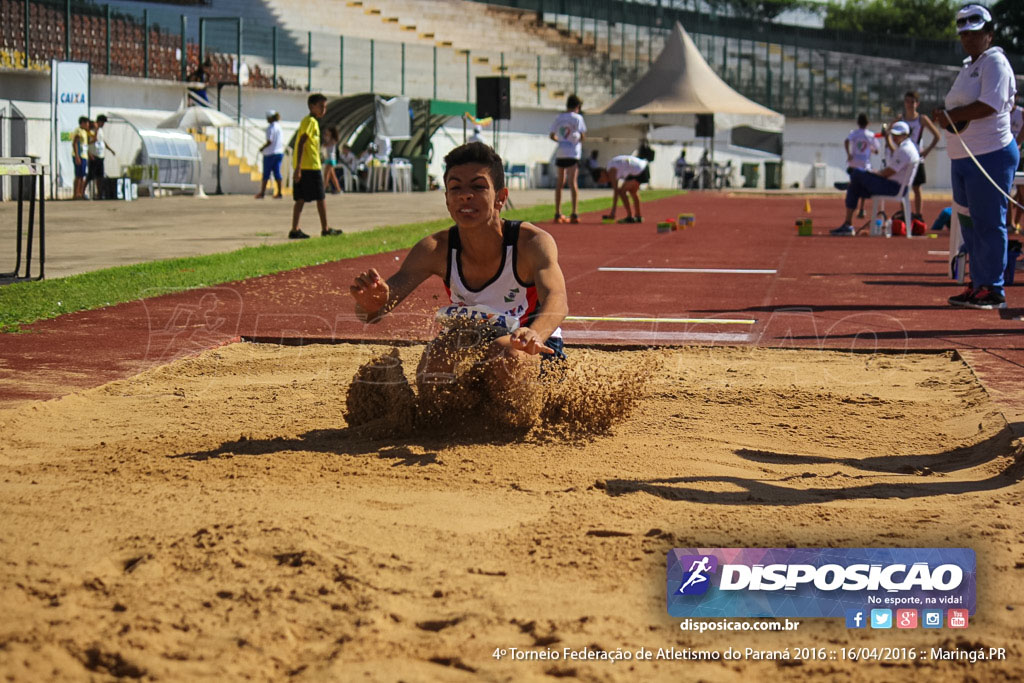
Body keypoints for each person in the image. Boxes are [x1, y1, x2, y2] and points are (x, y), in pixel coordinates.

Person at [349, 142, 568, 402]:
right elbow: (372, 314)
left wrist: (535, 333)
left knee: (505, 354)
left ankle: (514, 419)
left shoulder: (530, 242)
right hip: (472, 339)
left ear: (501, 197)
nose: (465, 195)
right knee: (436, 361)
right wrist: (370, 303)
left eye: (478, 187)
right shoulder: (435, 249)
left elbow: (558, 299)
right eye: (456, 188)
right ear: (447, 199)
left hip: (531, 343)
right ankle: (456, 419)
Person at [932, 4, 1018, 310]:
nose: (968, 38)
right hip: (965, 157)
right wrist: (946, 116)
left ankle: (992, 288)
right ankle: (978, 282)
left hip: (989, 154)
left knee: (988, 222)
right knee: (969, 222)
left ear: (989, 34)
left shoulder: (995, 62)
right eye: (964, 33)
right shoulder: (970, 66)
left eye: (975, 32)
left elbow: (989, 105)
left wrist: (950, 116)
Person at [830, 121, 920, 235]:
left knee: (857, 173)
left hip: (893, 187)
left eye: (898, 135)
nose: (895, 137)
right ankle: (847, 224)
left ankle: (850, 185)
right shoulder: (906, 147)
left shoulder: (905, 150)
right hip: (894, 185)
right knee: (854, 187)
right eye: (894, 134)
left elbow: (887, 172)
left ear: (906, 135)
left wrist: (873, 174)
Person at [291, 93, 342, 239]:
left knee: (300, 198)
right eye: (321, 106)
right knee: (320, 197)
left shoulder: (309, 121)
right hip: (310, 167)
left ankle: (295, 229)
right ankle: (325, 229)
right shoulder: (310, 122)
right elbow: (301, 142)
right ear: (312, 106)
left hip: (307, 166)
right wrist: (298, 168)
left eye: (324, 107)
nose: (323, 109)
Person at [887, 91, 940, 220]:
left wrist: (926, 151)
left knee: (917, 187)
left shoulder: (921, 119)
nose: (909, 105)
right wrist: (894, 149)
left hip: (916, 158)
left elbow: (937, 135)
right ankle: (903, 214)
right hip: (903, 157)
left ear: (917, 103)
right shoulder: (900, 119)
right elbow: (888, 131)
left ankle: (918, 214)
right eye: (907, 101)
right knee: (902, 186)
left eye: (912, 102)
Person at [548, 94, 586, 223]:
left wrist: (561, 140)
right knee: (573, 183)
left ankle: (558, 213)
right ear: (577, 106)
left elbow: (552, 135)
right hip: (573, 153)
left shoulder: (559, 117)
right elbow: (582, 135)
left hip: (561, 153)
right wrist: (575, 139)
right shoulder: (578, 118)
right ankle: (574, 213)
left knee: (560, 182)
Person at [844, 113, 880, 218]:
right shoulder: (870, 135)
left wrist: (849, 154)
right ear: (868, 123)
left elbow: (846, 141)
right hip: (865, 164)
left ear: (857, 123)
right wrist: (871, 149)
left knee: (853, 186)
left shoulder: (854, 133)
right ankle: (862, 208)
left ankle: (850, 210)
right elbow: (877, 150)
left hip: (854, 163)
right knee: (863, 186)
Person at [599, 154, 650, 223]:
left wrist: (613, 212)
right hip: (642, 167)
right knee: (633, 191)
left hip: (640, 170)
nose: (605, 182)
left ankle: (630, 216)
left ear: (602, 174)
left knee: (622, 192)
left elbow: (616, 191)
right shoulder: (611, 166)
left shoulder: (611, 170)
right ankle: (638, 216)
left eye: (602, 180)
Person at [255, 110, 284, 199]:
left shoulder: (270, 128)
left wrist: (262, 148)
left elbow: (269, 141)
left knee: (266, 174)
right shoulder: (279, 127)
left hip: (270, 153)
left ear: (270, 118)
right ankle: (279, 192)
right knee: (277, 173)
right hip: (279, 153)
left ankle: (262, 193)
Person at [88, 115, 115, 200]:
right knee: (90, 176)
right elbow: (89, 141)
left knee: (100, 176)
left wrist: (110, 149)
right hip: (94, 155)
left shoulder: (100, 130)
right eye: (102, 122)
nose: (103, 124)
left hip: (100, 155)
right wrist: (89, 153)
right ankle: (80, 193)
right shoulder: (92, 130)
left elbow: (102, 141)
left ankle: (99, 194)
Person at [71, 116, 90, 199]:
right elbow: (75, 143)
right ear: (82, 123)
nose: (87, 124)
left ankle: (81, 193)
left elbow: (85, 145)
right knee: (78, 175)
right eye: (86, 123)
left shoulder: (85, 132)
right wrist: (77, 156)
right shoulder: (78, 131)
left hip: (84, 156)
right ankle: (76, 194)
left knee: (82, 175)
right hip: (79, 156)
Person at [321, 126, 342, 194]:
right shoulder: (328, 139)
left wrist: (326, 140)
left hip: (331, 159)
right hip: (328, 158)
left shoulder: (333, 139)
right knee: (332, 176)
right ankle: (338, 189)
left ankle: (324, 188)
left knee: (326, 173)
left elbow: (327, 145)